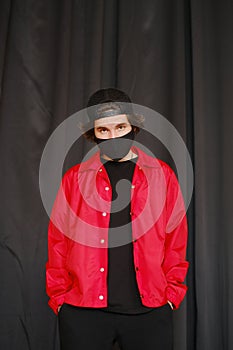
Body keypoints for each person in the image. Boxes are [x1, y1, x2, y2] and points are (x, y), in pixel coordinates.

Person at [46, 88, 189, 350]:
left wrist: (172, 295)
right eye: (103, 131)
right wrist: (59, 298)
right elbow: (58, 242)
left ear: (133, 127)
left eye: (120, 126)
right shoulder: (74, 180)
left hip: (149, 311)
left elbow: (176, 239)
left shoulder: (163, 176)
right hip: (83, 313)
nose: (114, 136)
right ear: (93, 134)